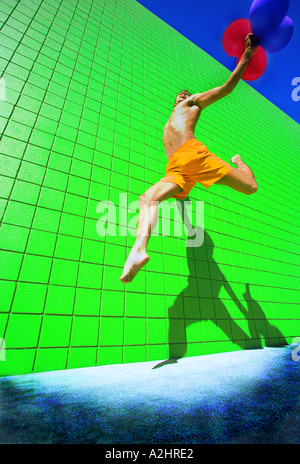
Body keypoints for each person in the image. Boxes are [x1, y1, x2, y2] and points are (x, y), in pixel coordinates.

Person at [120, 33, 258, 284]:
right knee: (148, 199)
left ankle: (238, 161)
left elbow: (226, 88)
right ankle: (138, 251)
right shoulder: (168, 121)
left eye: (186, 94)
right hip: (178, 169)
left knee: (251, 187)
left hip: (194, 156)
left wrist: (246, 58)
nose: (183, 94)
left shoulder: (192, 104)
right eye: (180, 94)